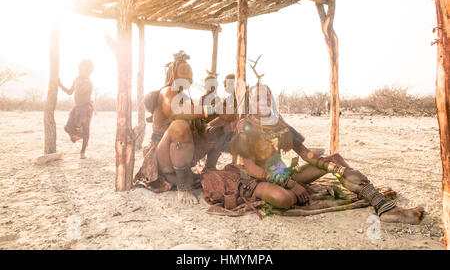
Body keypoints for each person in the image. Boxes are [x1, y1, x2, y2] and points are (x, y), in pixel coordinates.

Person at [229, 84, 425, 224]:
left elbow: (306, 155)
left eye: (267, 96)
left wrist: (332, 167)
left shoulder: (280, 123)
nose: (263, 101)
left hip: (283, 174)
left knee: (335, 159)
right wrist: (290, 185)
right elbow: (251, 168)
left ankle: (383, 206)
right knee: (285, 199)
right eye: (257, 98)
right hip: (256, 181)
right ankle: (285, 192)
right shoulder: (246, 127)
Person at [134, 51, 224, 204]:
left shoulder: (184, 95)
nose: (189, 76)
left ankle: (209, 169)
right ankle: (183, 186)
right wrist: (207, 110)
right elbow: (176, 110)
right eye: (184, 72)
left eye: (190, 72)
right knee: (179, 126)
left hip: (181, 152)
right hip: (162, 155)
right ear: (172, 74)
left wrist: (220, 118)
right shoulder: (167, 90)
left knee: (219, 128)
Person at [58, 59, 94, 159]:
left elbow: (81, 91)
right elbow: (70, 92)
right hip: (77, 107)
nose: (81, 71)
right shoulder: (77, 79)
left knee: (86, 129)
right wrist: (60, 85)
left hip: (86, 108)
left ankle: (82, 152)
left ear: (89, 71)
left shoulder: (88, 83)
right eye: (80, 69)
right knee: (67, 128)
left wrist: (79, 82)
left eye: (84, 69)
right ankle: (80, 135)